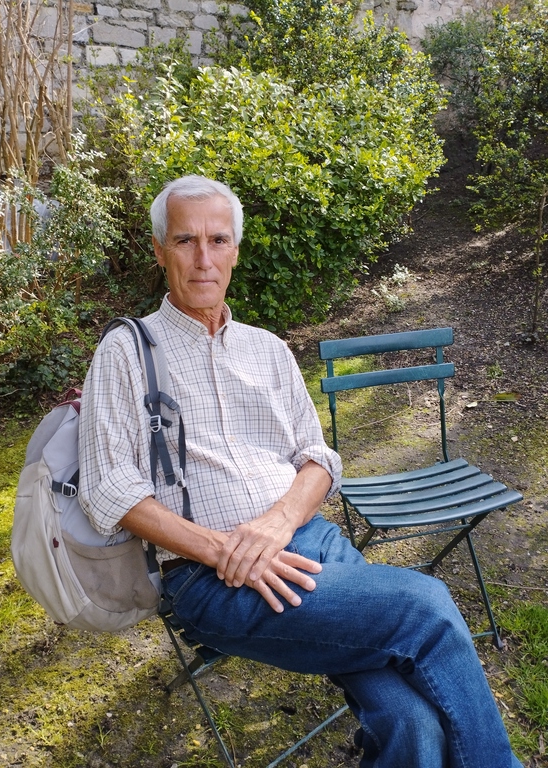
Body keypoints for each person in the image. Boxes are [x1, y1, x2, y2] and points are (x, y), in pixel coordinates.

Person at [79, 175, 523, 768]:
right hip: (214, 576)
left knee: (406, 717)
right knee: (427, 607)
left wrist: (279, 522)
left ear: (236, 250)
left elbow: (318, 458)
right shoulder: (128, 351)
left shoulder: (267, 348)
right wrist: (227, 549)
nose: (204, 258)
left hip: (313, 542)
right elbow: (108, 487)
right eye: (185, 241)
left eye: (218, 240)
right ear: (160, 251)